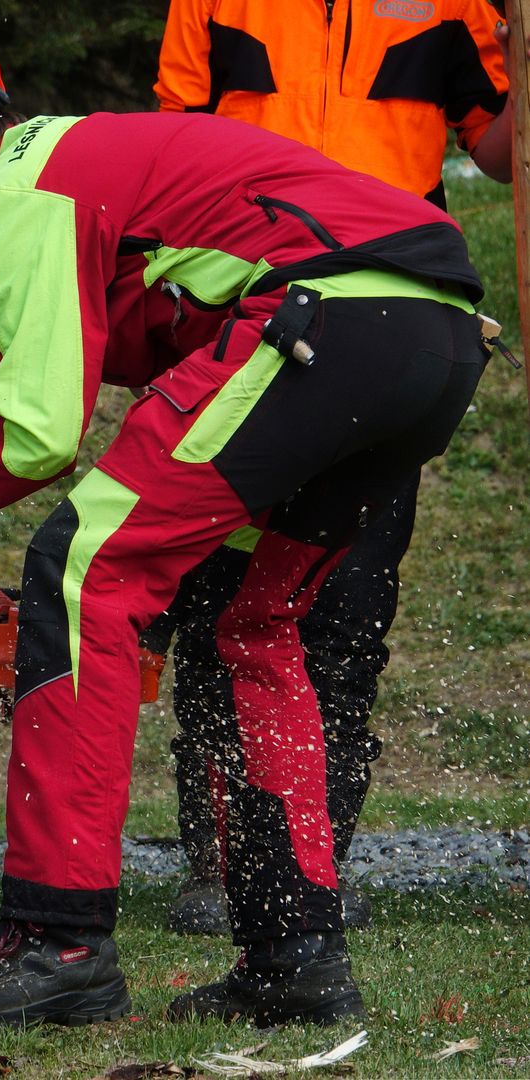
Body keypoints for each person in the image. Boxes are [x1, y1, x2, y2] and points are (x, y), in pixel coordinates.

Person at [0, 36, 495, 1030]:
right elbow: (163, 323)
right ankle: (294, 950)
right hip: (427, 336)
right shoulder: (94, 161)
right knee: (247, 625)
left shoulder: (20, 185)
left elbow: (38, 432)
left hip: (328, 319)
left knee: (82, 570)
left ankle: (57, 942)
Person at [150, 0, 513, 937]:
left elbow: (505, 151)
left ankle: (314, 860)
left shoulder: (456, 6)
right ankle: (220, 862)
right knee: (220, 597)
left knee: (346, 609)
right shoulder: (212, 2)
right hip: (244, 311)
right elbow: (170, 151)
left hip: (391, 322)